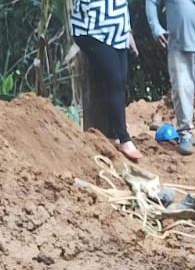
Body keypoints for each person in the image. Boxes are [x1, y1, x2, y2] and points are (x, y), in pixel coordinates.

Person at [146, 0, 195, 156]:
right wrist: (156, 27)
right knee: (182, 91)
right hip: (178, 46)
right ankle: (185, 134)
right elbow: (152, 2)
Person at [70, 0, 143, 160]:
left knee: (120, 81)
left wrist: (128, 32)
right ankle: (124, 138)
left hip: (118, 30)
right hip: (91, 30)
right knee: (114, 81)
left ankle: (112, 134)